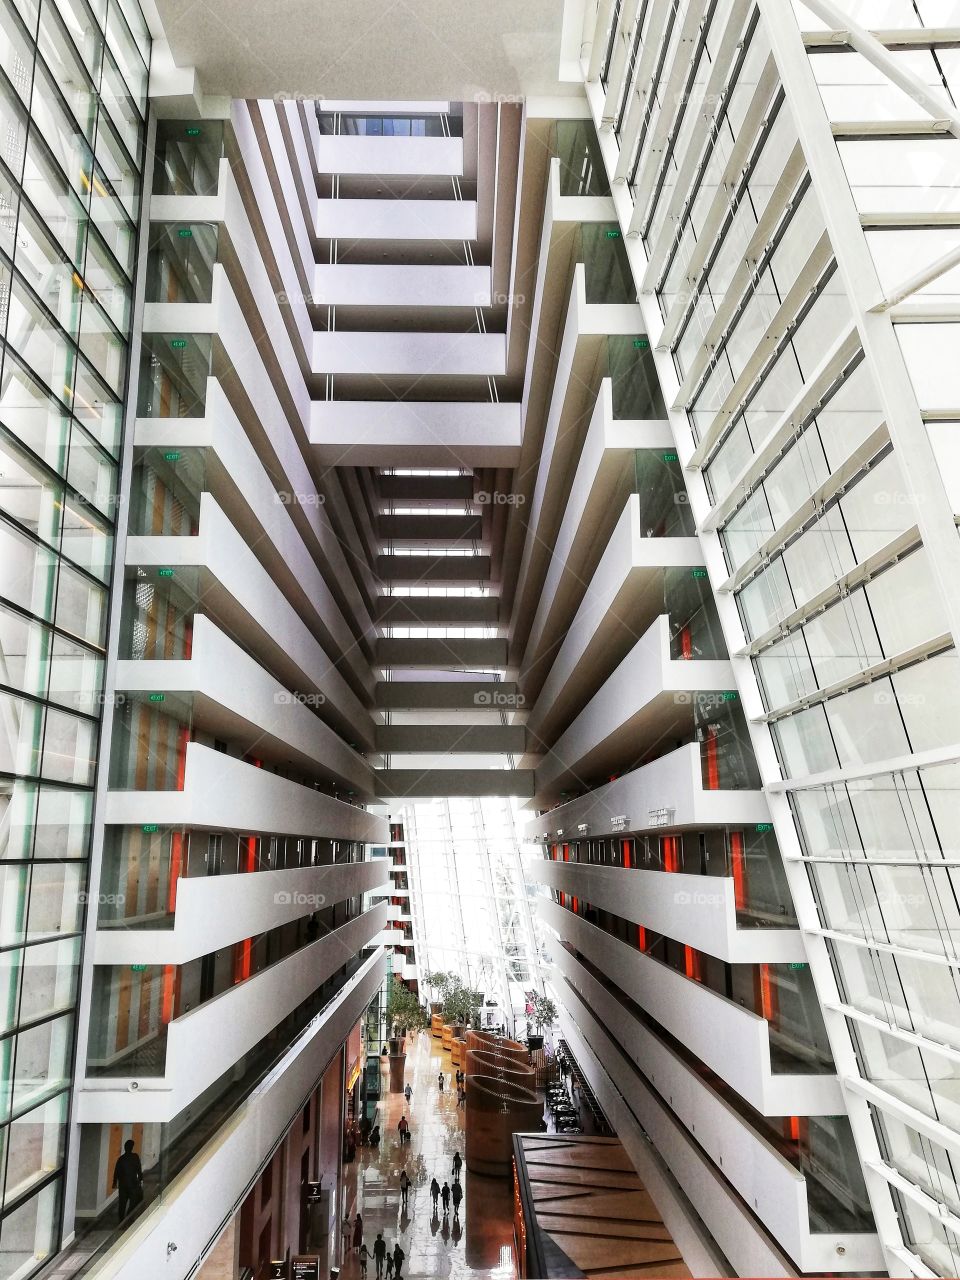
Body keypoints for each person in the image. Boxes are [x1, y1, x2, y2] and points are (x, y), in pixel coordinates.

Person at [112, 1139, 143, 1223]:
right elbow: (139, 1169)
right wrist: (140, 1179)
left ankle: (121, 1220)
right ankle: (129, 1217)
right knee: (134, 1201)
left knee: (122, 1204)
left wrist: (114, 1183)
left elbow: (116, 1172)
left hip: (123, 1185)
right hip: (133, 1184)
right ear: (132, 1148)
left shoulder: (121, 1159)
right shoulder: (135, 1157)